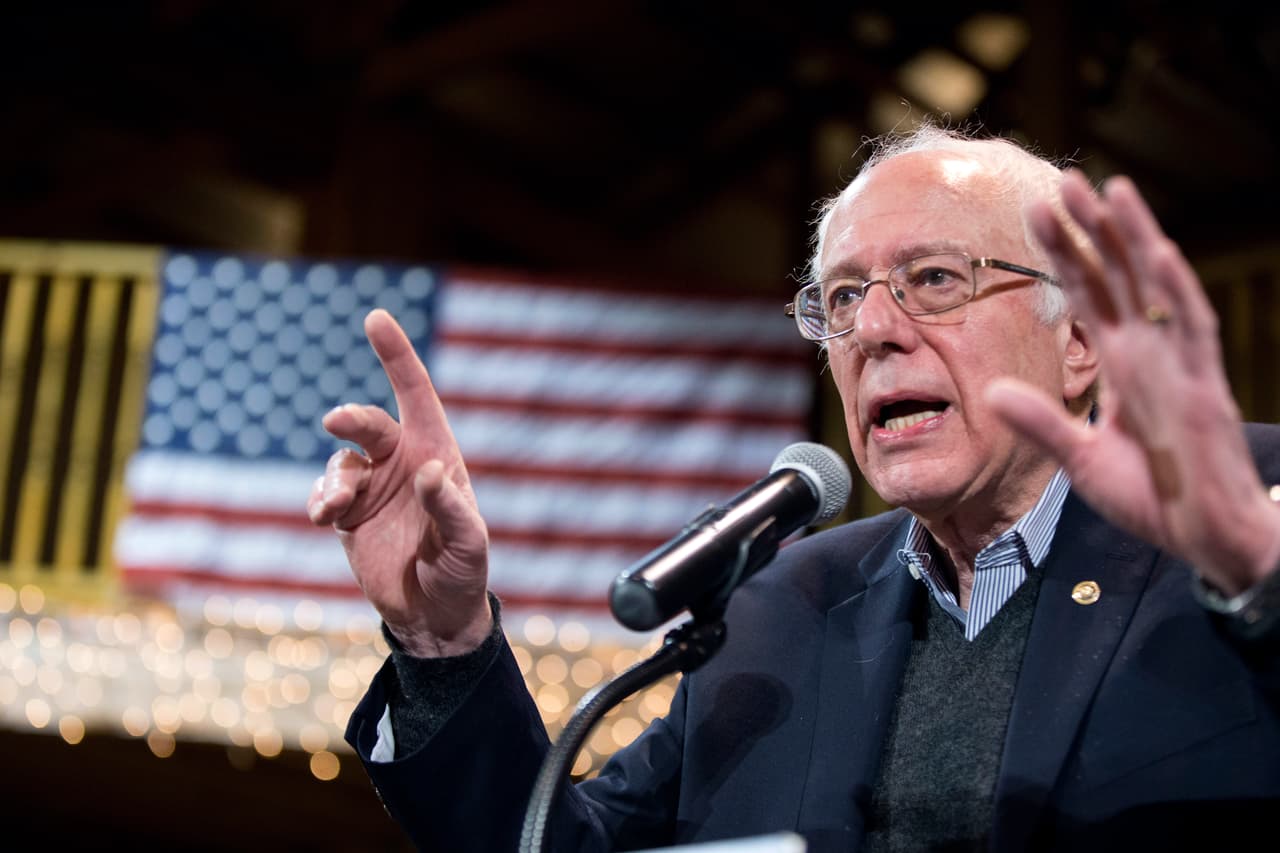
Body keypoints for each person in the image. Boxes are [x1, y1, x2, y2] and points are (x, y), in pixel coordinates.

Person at [307, 126, 1280, 852]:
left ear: (1074, 340)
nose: (874, 330)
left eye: (933, 279)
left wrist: (1260, 590)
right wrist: (446, 644)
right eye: (842, 298)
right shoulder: (782, 604)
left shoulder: (1244, 511)